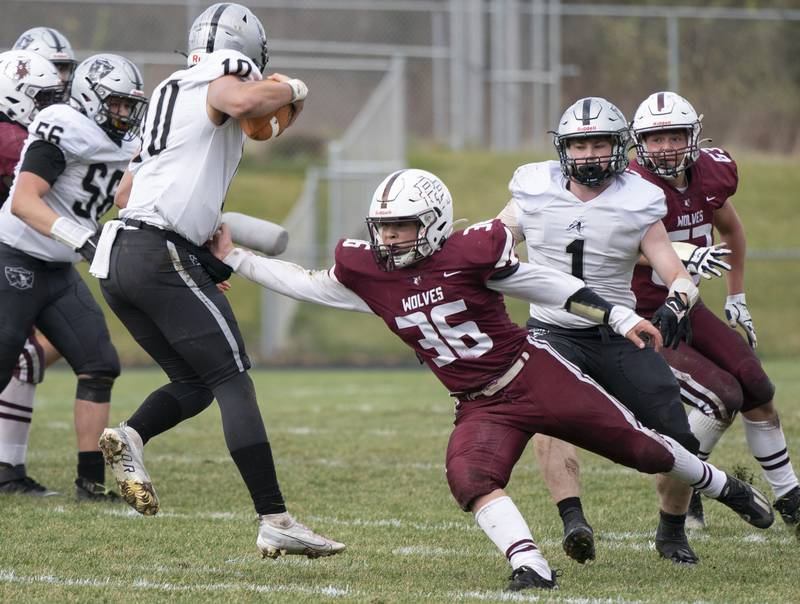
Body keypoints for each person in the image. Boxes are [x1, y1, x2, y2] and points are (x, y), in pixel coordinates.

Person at [208, 167, 774, 591]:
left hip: (533, 373)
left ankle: (725, 486)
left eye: (403, 228)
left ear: (431, 225)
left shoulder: (470, 253)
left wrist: (622, 316)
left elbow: (547, 285)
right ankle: (529, 563)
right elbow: (304, 282)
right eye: (383, 228)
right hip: (479, 403)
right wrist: (235, 258)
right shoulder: (368, 272)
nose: (390, 240)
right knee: (467, 475)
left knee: (644, 449)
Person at [91, 3, 342, 560]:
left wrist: (196, 245)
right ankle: (275, 517)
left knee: (195, 380)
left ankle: (130, 436)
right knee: (233, 378)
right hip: (156, 252)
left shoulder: (165, 92)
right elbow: (248, 101)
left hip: (122, 258)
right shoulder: (223, 73)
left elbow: (126, 195)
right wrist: (295, 86)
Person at [496, 97, 715, 565]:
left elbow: (675, 272)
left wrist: (678, 303)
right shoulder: (532, 191)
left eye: (599, 144)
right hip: (552, 331)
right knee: (548, 421)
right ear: (564, 150)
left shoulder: (637, 198)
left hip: (621, 336)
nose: (590, 155)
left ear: (618, 147)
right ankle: (573, 519)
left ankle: (672, 531)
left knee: (676, 433)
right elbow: (487, 250)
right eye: (580, 145)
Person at [629, 91, 800, 536]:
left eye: (674, 134)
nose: (665, 146)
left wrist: (736, 295)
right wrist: (685, 252)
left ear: (694, 136)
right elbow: (624, 248)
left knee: (757, 385)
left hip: (688, 304)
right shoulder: (627, 186)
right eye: (654, 137)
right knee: (723, 395)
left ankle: (790, 496)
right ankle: (686, 489)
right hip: (642, 311)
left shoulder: (713, 171)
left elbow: (731, 229)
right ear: (638, 142)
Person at [0, 50, 147, 501]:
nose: (124, 113)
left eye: (129, 104)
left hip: (58, 266)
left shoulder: (121, 140)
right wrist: (81, 238)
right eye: (117, 103)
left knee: (100, 362)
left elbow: (121, 194)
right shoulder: (64, 123)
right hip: (15, 255)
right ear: (91, 96)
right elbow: (25, 201)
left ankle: (90, 484)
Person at [0, 28, 79, 497]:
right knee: (24, 358)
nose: (61, 90)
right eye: (51, 78)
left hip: (25, 256)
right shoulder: (14, 137)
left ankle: (9, 470)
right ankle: (8, 470)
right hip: (13, 256)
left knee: (30, 357)